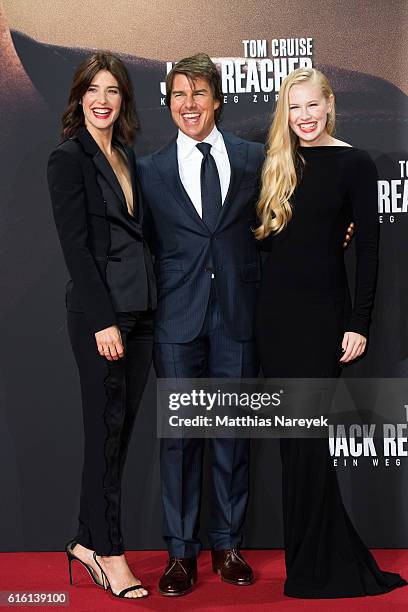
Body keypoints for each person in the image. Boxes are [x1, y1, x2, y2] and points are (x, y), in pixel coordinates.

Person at [255, 67, 407, 597]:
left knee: (308, 442)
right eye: (294, 108)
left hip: (323, 320)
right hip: (273, 320)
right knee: (291, 445)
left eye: (312, 106)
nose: (304, 118)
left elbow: (369, 250)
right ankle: (307, 562)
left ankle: (324, 566)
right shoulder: (274, 161)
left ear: (330, 103)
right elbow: (267, 245)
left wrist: (358, 323)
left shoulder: (355, 164)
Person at [136, 53, 264, 596]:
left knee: (232, 437)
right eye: (179, 95)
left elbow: (282, 224)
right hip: (176, 320)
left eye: (199, 94)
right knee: (179, 440)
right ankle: (180, 554)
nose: (189, 105)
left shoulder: (254, 157)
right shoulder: (149, 169)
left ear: (217, 99)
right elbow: (135, 244)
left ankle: (228, 544)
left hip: (238, 315)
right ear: (170, 103)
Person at [47, 52, 156, 600]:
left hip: (141, 316)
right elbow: (78, 251)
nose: (103, 99)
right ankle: (110, 553)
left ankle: (87, 541)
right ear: (80, 97)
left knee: (119, 435)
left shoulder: (128, 158)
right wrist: (103, 321)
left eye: (113, 90)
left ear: (123, 101)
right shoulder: (68, 160)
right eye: (94, 89)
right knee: (105, 434)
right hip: (102, 320)